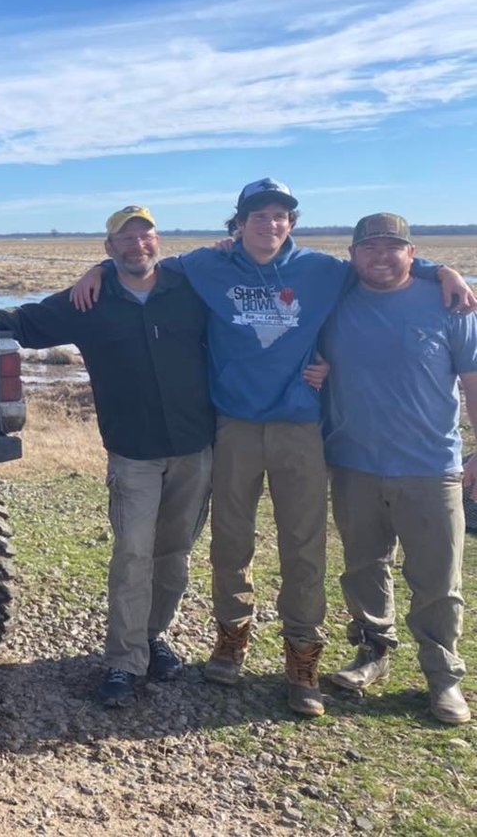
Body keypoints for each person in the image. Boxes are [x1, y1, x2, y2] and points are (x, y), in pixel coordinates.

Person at [71, 178, 474, 717]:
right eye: (257, 215)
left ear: (292, 223)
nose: (269, 224)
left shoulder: (321, 271)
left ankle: (301, 658)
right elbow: (138, 264)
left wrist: (440, 270)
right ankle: (232, 638)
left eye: (280, 215)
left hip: (300, 429)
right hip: (233, 426)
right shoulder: (205, 266)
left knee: (304, 547)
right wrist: (96, 270)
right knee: (230, 544)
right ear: (237, 224)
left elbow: (384, 268)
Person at [0, 205, 215, 707]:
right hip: (133, 454)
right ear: (109, 249)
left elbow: (241, 274)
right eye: (125, 239)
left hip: (195, 449)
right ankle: (124, 661)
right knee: (132, 554)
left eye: (145, 236)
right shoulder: (92, 300)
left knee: (175, 557)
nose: (137, 245)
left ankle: (152, 637)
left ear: (158, 241)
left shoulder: (191, 290)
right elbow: (28, 319)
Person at [317, 213, 477, 725]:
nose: (381, 257)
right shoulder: (335, 302)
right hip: (353, 463)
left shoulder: (449, 302)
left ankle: (443, 677)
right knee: (364, 567)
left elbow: (473, 381)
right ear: (352, 255)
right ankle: (372, 654)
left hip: (430, 467)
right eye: (369, 248)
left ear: (412, 253)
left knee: (437, 579)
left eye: (393, 247)